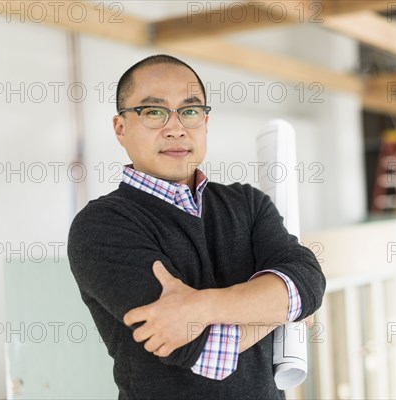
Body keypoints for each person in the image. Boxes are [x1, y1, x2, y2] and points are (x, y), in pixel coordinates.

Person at [67, 54, 326, 399]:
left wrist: (199, 307)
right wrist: (281, 310)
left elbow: (308, 281)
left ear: (205, 122)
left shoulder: (248, 203)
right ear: (121, 128)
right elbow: (204, 350)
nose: (175, 127)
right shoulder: (101, 226)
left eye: (189, 111)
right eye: (153, 111)